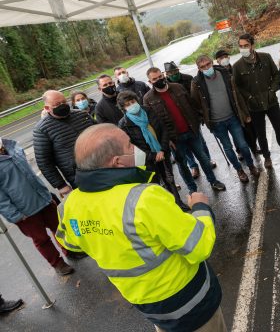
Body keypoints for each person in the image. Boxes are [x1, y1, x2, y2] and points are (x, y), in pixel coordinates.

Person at [55, 124, 225, 332]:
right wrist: (201, 207)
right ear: (117, 162)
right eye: (129, 145)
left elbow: (71, 242)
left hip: (146, 304)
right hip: (189, 302)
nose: (135, 147)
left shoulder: (69, 205)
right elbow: (199, 245)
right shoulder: (144, 199)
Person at [0, 138, 77, 275]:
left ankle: (70, 250)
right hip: (25, 212)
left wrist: (46, 194)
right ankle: (57, 263)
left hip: (43, 199)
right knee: (41, 239)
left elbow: (29, 174)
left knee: (59, 227)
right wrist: (15, 216)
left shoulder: (11, 146)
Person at [143, 67, 226, 193]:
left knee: (203, 158)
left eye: (160, 76)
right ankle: (192, 189)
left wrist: (197, 121)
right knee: (182, 165)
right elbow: (154, 123)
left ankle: (213, 181)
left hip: (192, 131)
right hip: (174, 139)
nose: (159, 80)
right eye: (154, 79)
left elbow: (192, 104)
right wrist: (166, 140)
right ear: (150, 82)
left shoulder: (177, 87)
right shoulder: (148, 99)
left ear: (163, 75)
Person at [191, 55, 260, 183]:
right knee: (228, 148)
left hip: (233, 118)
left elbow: (237, 95)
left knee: (243, 145)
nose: (207, 68)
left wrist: (245, 113)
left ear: (212, 63)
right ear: (199, 69)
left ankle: (251, 165)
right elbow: (196, 103)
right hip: (216, 123)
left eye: (208, 64)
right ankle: (239, 170)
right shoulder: (196, 83)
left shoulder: (225, 74)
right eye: (203, 67)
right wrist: (204, 118)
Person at [117, 90, 189, 211]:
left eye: (133, 101)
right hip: (147, 160)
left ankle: (178, 203)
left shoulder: (148, 111)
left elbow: (163, 130)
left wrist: (162, 149)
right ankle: (165, 209)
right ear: (123, 108)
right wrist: (152, 155)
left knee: (169, 179)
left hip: (162, 152)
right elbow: (132, 146)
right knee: (154, 185)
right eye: (127, 104)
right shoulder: (124, 124)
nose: (132, 105)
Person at [232, 33, 280, 169]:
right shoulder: (237, 66)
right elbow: (237, 86)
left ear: (252, 45)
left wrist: (272, 91)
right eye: (241, 46)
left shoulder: (265, 57)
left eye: (246, 45)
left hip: (271, 101)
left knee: (279, 129)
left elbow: (276, 75)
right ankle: (267, 157)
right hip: (254, 106)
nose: (243, 48)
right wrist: (249, 97)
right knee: (261, 134)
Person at [33, 90, 95, 195]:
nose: (62, 106)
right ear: (47, 108)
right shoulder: (42, 130)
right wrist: (61, 185)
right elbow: (44, 162)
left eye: (64, 102)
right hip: (79, 176)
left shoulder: (82, 115)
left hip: (103, 164)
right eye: (57, 104)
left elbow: (100, 134)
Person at [164, 61, 216, 178]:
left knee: (201, 143)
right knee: (186, 149)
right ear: (166, 74)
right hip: (178, 122)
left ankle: (208, 160)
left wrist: (200, 115)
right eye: (170, 72)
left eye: (175, 71)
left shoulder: (188, 79)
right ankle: (194, 166)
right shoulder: (165, 85)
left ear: (178, 70)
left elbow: (195, 98)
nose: (173, 74)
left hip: (192, 119)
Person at [215, 49, 261, 159]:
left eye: (225, 57)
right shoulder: (219, 74)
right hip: (232, 107)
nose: (224, 59)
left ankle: (254, 145)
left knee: (251, 127)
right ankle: (239, 150)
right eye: (221, 58)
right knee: (238, 131)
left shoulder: (235, 69)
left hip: (244, 102)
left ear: (229, 57)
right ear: (217, 60)